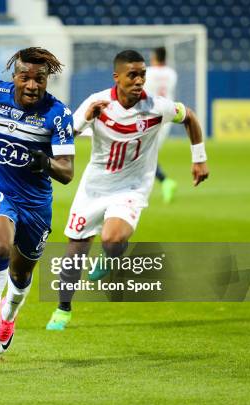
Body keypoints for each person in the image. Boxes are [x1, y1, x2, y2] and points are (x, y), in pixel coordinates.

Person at [46, 50, 209, 331]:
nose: (139, 80)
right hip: (94, 187)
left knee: (112, 239)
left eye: (142, 74)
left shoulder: (157, 107)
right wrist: (85, 118)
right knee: (75, 250)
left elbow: (190, 117)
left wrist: (199, 157)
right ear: (117, 77)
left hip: (132, 187)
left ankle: (109, 259)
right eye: (132, 75)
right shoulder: (98, 103)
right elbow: (65, 136)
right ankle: (63, 308)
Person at [0, 47, 75, 364]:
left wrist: (46, 162)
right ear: (15, 77)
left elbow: (67, 172)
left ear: (47, 80)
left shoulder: (59, 115)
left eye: (40, 79)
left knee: (21, 277)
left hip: (35, 205)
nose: (33, 85)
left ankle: (9, 315)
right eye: (25, 77)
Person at [145, 46, 178, 203]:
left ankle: (165, 182)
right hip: (167, 116)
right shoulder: (172, 74)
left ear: (154, 57)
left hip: (150, 114)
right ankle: (164, 182)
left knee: (144, 153)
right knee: (146, 153)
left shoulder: (148, 72)